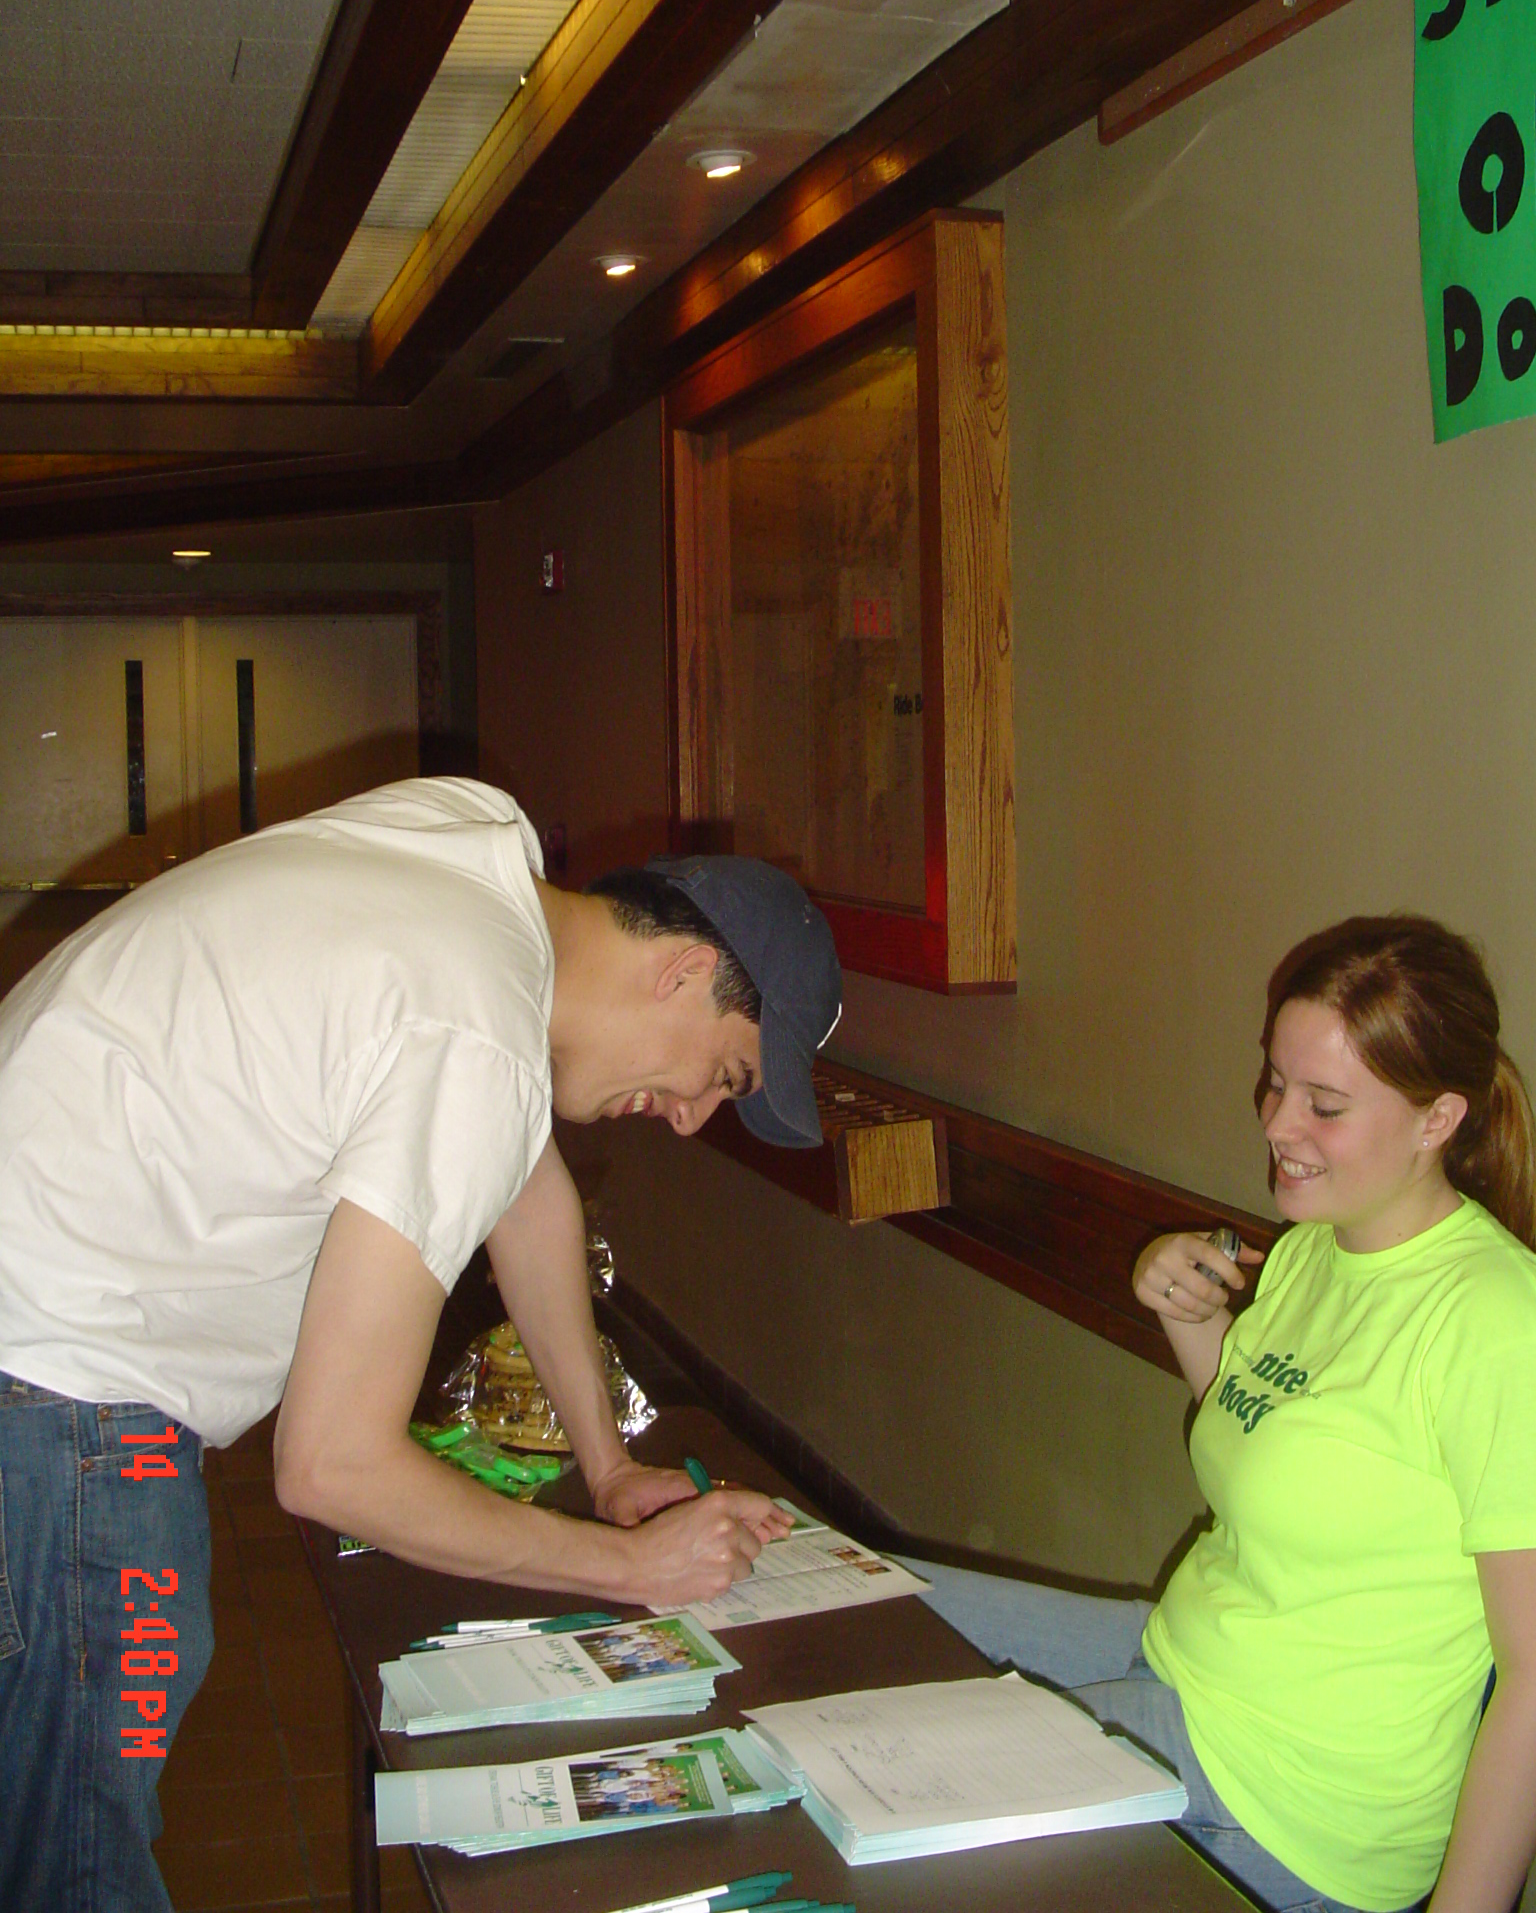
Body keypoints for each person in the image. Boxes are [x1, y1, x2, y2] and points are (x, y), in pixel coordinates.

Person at [0, 775, 842, 1913]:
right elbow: (331, 1467)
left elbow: (525, 1195)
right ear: (684, 971)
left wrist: (608, 1468)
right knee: (72, 1860)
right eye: (725, 1074)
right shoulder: (474, 1027)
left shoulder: (470, 855)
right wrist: (632, 1568)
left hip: (35, 1340)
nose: (693, 1117)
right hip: (60, 1399)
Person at [907, 916, 1536, 1913]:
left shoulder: (1496, 1321)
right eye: (1276, 1083)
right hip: (1185, 1656)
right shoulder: (1314, 1248)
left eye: (1324, 1104)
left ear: (1437, 1118)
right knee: (873, 1607)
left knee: (918, 1788)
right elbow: (1278, 1440)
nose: (1278, 1124)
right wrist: (1189, 1315)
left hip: (1293, 1797)